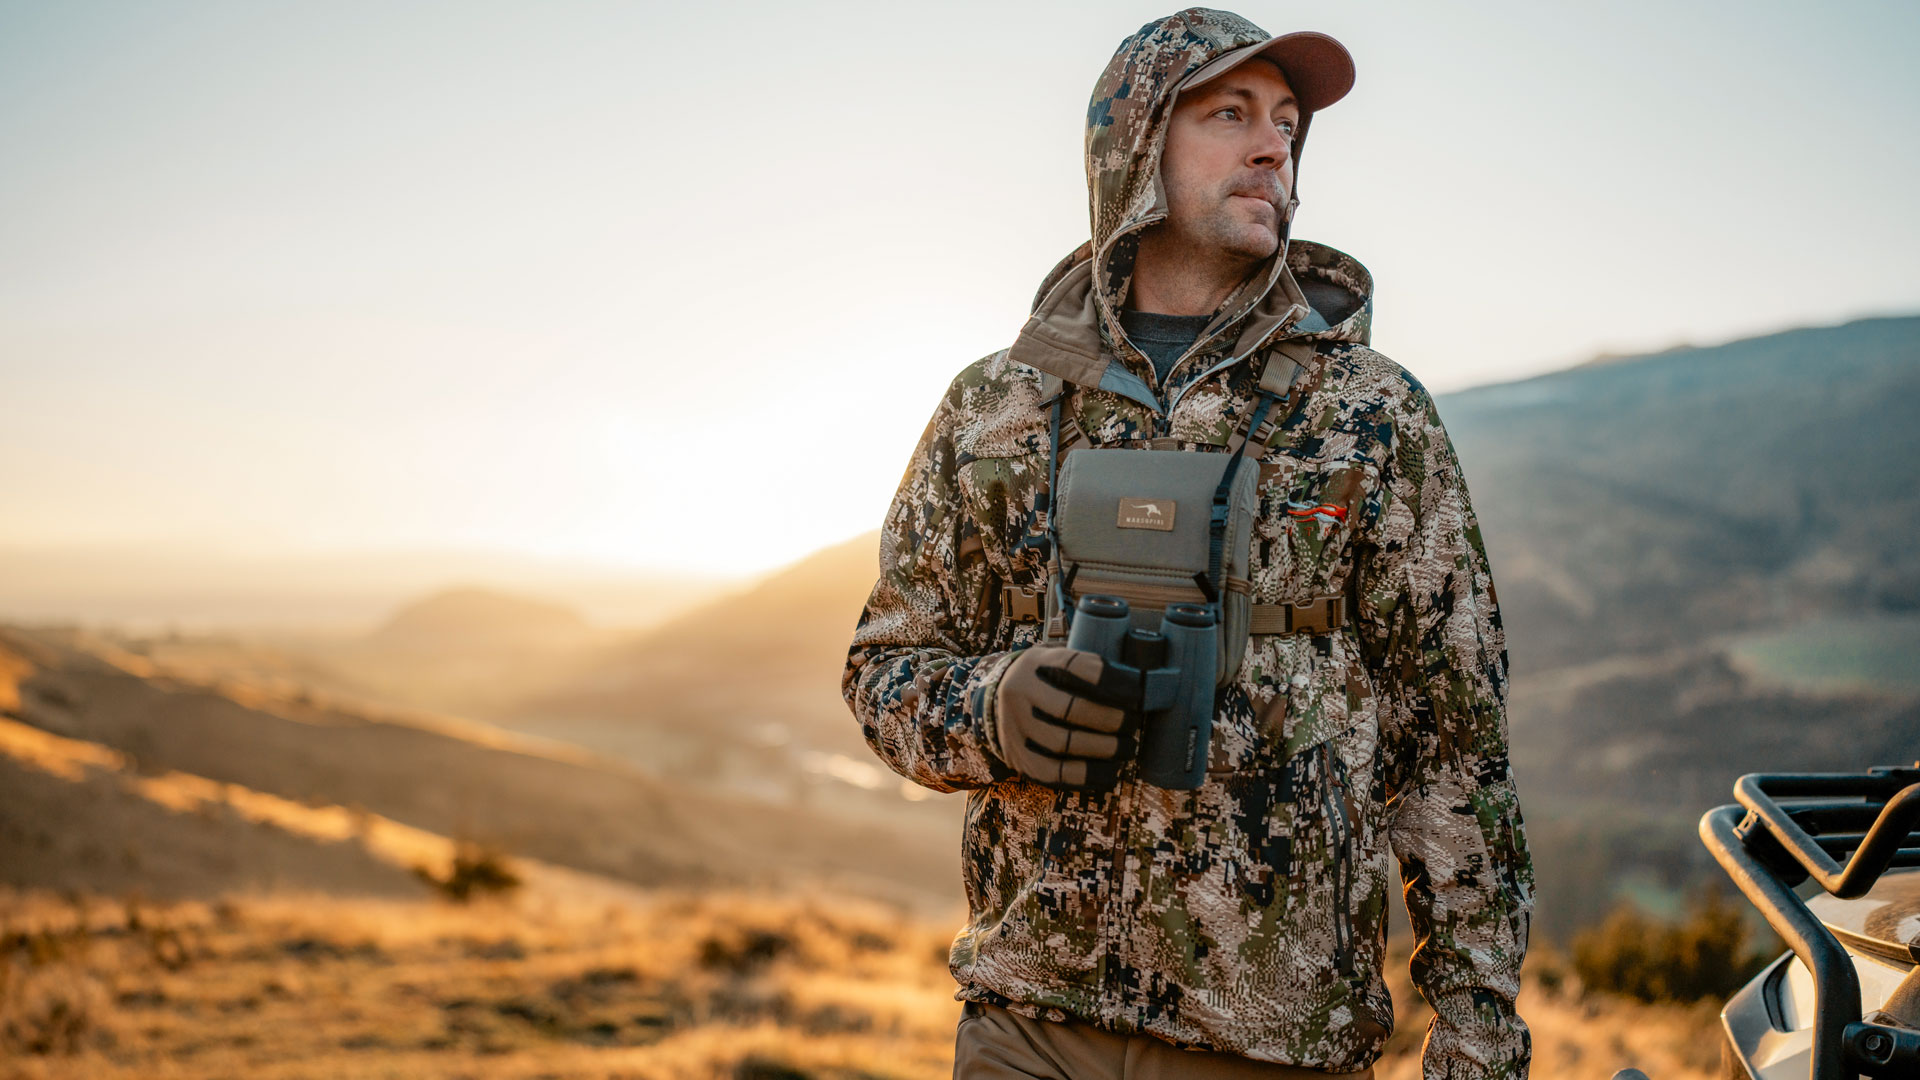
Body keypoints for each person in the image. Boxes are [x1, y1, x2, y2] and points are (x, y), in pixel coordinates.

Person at [843, 9, 1532, 1078]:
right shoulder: (998, 406)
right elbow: (884, 665)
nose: (1275, 146)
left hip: (1270, 1046)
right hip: (1029, 1025)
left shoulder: (1373, 414)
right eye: (1231, 114)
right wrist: (992, 709)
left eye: (1288, 124)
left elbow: (1454, 747)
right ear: (1136, 149)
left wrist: (1479, 1037)